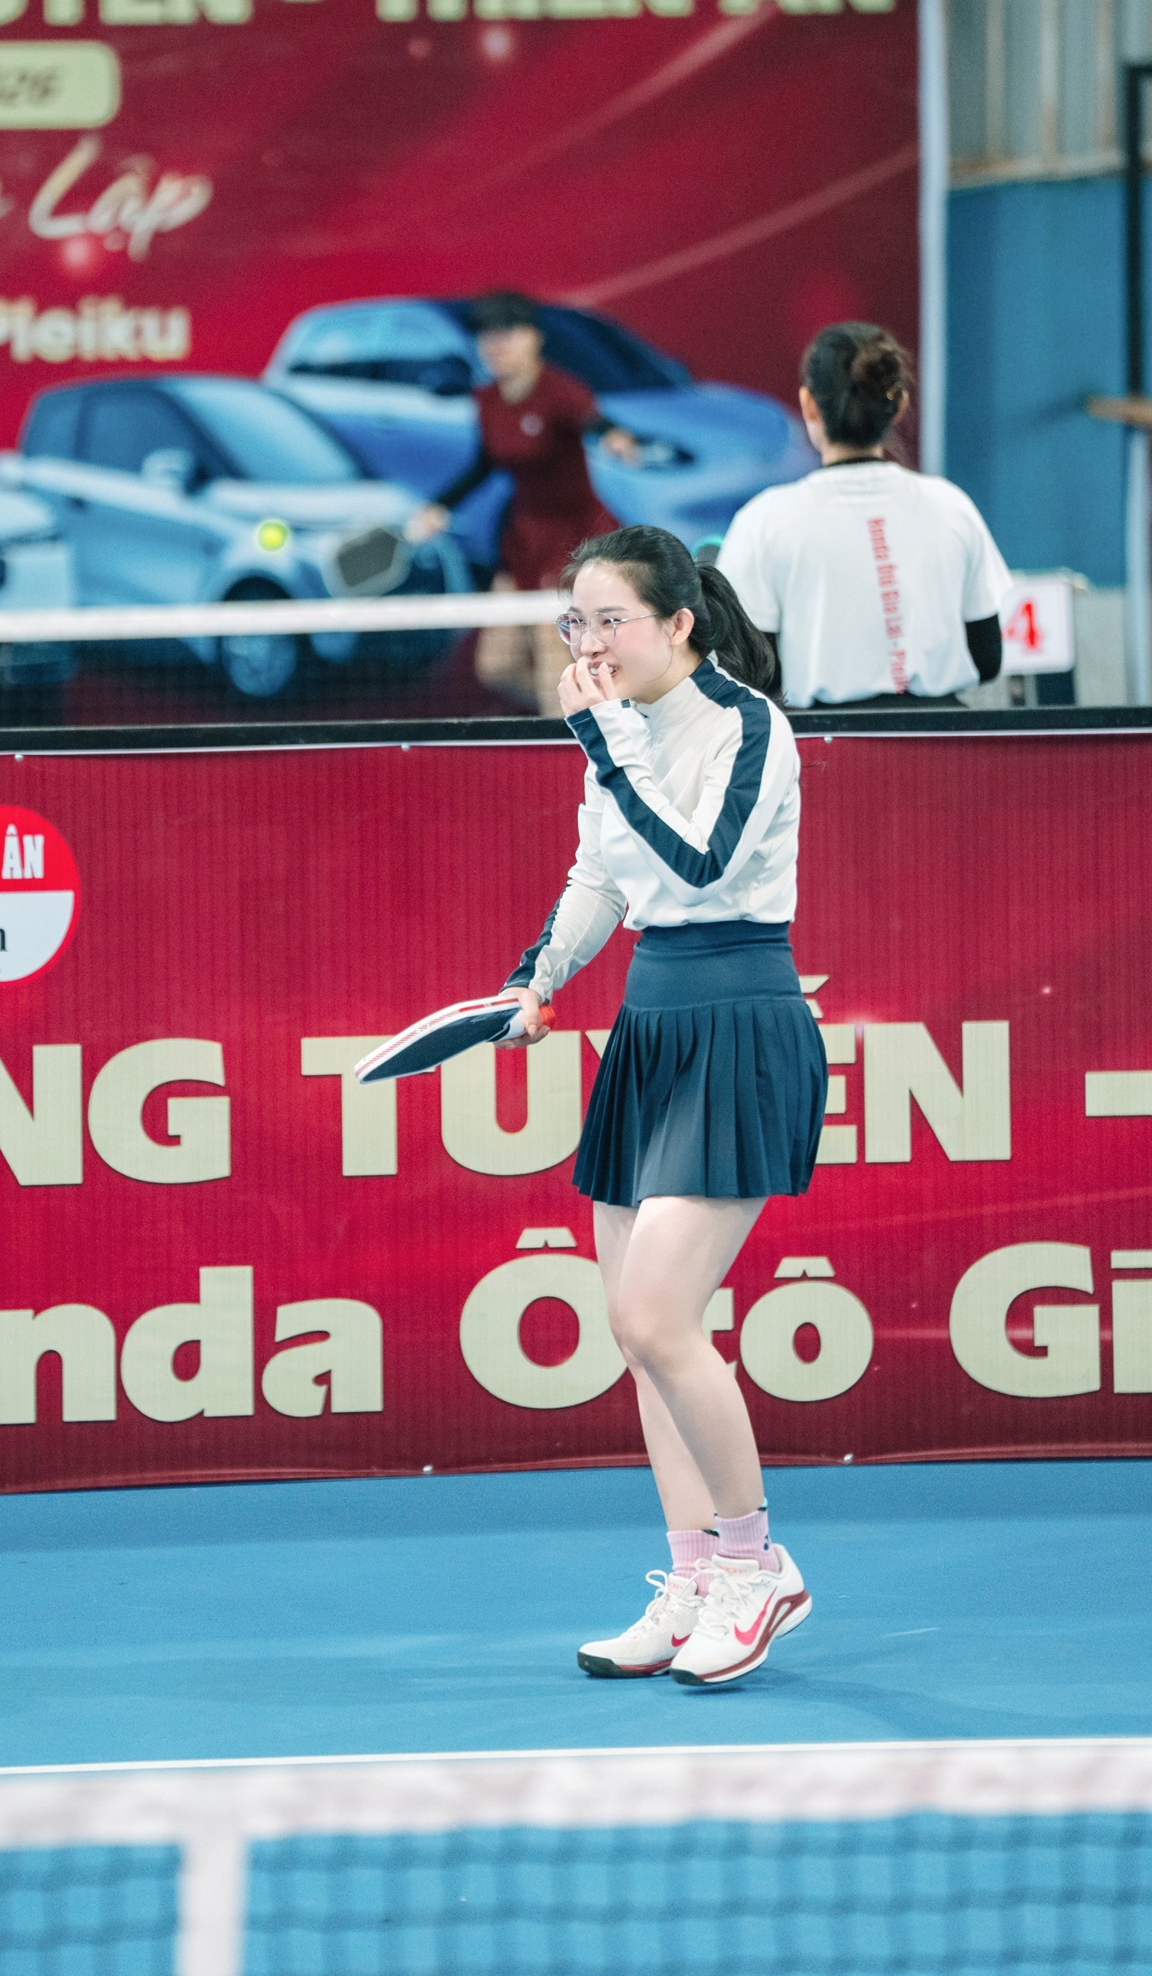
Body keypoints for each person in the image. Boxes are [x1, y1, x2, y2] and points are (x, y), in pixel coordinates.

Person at [499, 525, 827, 1687]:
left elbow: (699, 866)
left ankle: (756, 1567)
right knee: (637, 1338)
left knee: (658, 1318)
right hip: (651, 1026)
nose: (587, 645)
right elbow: (601, 876)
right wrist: (538, 978)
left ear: (678, 624)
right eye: (574, 623)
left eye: (610, 621)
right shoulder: (618, 736)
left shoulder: (748, 726)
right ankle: (691, 1577)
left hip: (739, 1019)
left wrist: (607, 743)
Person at [715, 323, 1009, 708]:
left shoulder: (764, 521)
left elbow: (750, 674)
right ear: (899, 405)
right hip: (944, 735)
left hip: (823, 739)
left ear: (808, 405)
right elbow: (987, 658)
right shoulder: (952, 506)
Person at [408, 292, 639, 714]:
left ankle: (569, 732)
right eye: (486, 336)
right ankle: (589, 715)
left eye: (507, 334)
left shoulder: (560, 390)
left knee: (554, 659)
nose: (495, 345)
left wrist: (614, 436)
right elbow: (485, 462)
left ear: (534, 338)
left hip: (573, 544)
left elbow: (593, 420)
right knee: (496, 667)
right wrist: (440, 506)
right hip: (522, 544)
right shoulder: (488, 400)